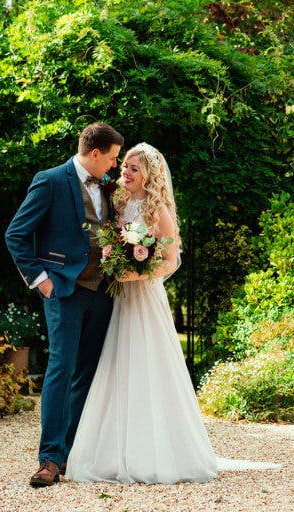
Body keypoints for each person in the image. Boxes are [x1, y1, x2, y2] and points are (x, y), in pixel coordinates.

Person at [65, 142, 218, 483]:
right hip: (121, 300)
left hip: (145, 299)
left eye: (134, 168)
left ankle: (157, 451)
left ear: (149, 175)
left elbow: (170, 260)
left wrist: (135, 273)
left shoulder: (157, 209)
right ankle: (113, 450)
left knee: (148, 365)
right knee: (118, 365)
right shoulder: (119, 206)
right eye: (125, 167)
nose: (126, 172)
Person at [5, 122, 124, 487]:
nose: (114, 167)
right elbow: (16, 234)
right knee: (60, 367)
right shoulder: (51, 180)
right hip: (64, 291)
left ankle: (74, 452)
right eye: (112, 158)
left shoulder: (107, 186)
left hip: (103, 292)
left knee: (87, 371)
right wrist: (42, 282)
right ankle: (50, 458)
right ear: (94, 154)